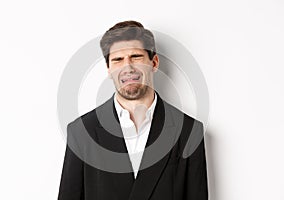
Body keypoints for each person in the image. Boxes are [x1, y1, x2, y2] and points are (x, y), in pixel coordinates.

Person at [58, 20, 208, 200]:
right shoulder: (82, 132)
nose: (127, 67)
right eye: (118, 60)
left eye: (136, 57)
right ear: (109, 69)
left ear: (154, 62)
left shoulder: (189, 131)